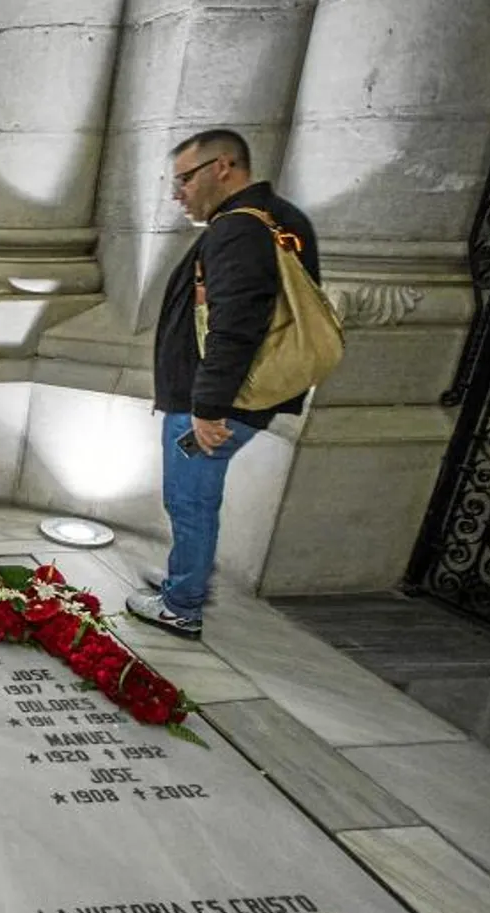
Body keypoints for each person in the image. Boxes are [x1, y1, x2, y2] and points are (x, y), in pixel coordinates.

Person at [126, 128, 319, 640]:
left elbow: (235, 325)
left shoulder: (239, 230)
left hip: (214, 405)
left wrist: (207, 408)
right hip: (235, 398)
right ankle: (186, 580)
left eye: (184, 179)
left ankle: (182, 604)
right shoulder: (280, 219)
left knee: (190, 501)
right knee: (196, 500)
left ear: (224, 167)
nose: (178, 193)